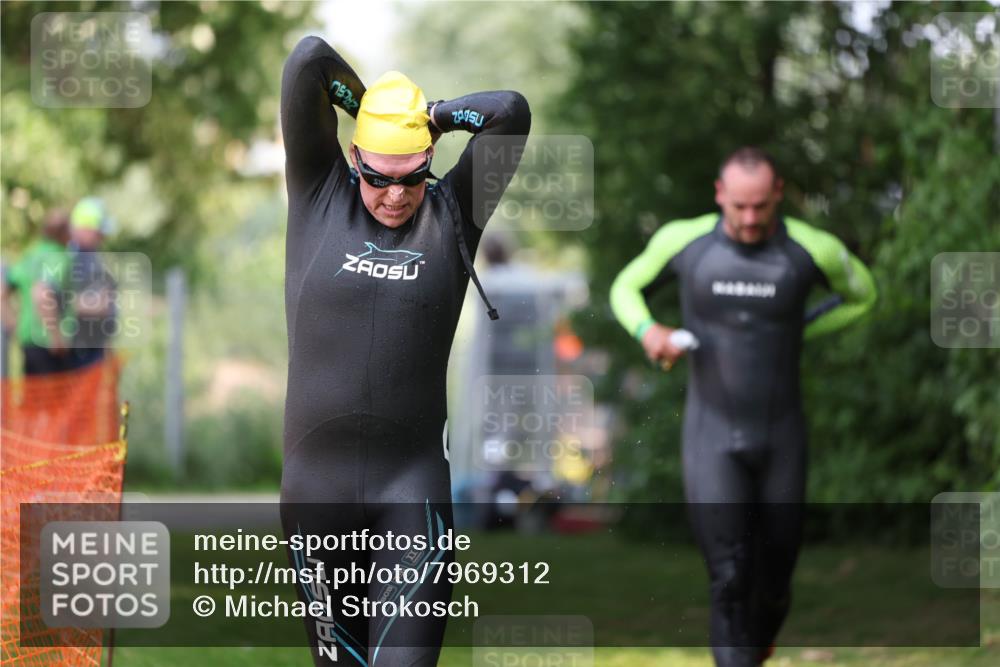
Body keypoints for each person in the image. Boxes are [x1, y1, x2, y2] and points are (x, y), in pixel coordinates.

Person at [278, 35, 530, 666]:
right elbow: (308, 61)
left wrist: (430, 115)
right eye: (378, 178)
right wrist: (374, 109)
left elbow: (511, 111)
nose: (395, 196)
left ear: (430, 162)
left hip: (409, 493)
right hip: (316, 494)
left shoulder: (456, 212)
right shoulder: (318, 193)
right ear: (355, 155)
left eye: (412, 176)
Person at [609, 147, 876, 667]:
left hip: (782, 437)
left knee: (774, 579)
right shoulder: (684, 242)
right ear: (719, 196)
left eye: (760, 206)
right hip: (712, 437)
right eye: (738, 207)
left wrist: (803, 331)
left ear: (778, 194)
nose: (750, 219)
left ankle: (760, 645)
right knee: (729, 576)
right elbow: (626, 287)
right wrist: (649, 330)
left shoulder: (810, 249)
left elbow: (864, 294)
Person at [3, 208, 72, 375]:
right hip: (48, 344)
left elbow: (2, 293)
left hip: (27, 340)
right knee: (55, 398)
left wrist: (14, 326)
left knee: (33, 397)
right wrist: (55, 336)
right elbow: (42, 292)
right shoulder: (58, 257)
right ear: (64, 233)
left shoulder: (31, 254)